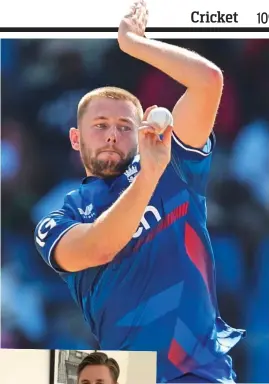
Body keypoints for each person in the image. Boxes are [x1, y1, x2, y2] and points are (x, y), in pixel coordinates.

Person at [34, 0, 246, 382]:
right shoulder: (60, 216)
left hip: (200, 371)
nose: (113, 133)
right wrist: (149, 175)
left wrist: (135, 44)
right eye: (99, 125)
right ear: (75, 139)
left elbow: (208, 82)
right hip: (130, 376)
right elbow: (98, 247)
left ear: (141, 131)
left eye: (123, 125)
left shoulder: (175, 165)